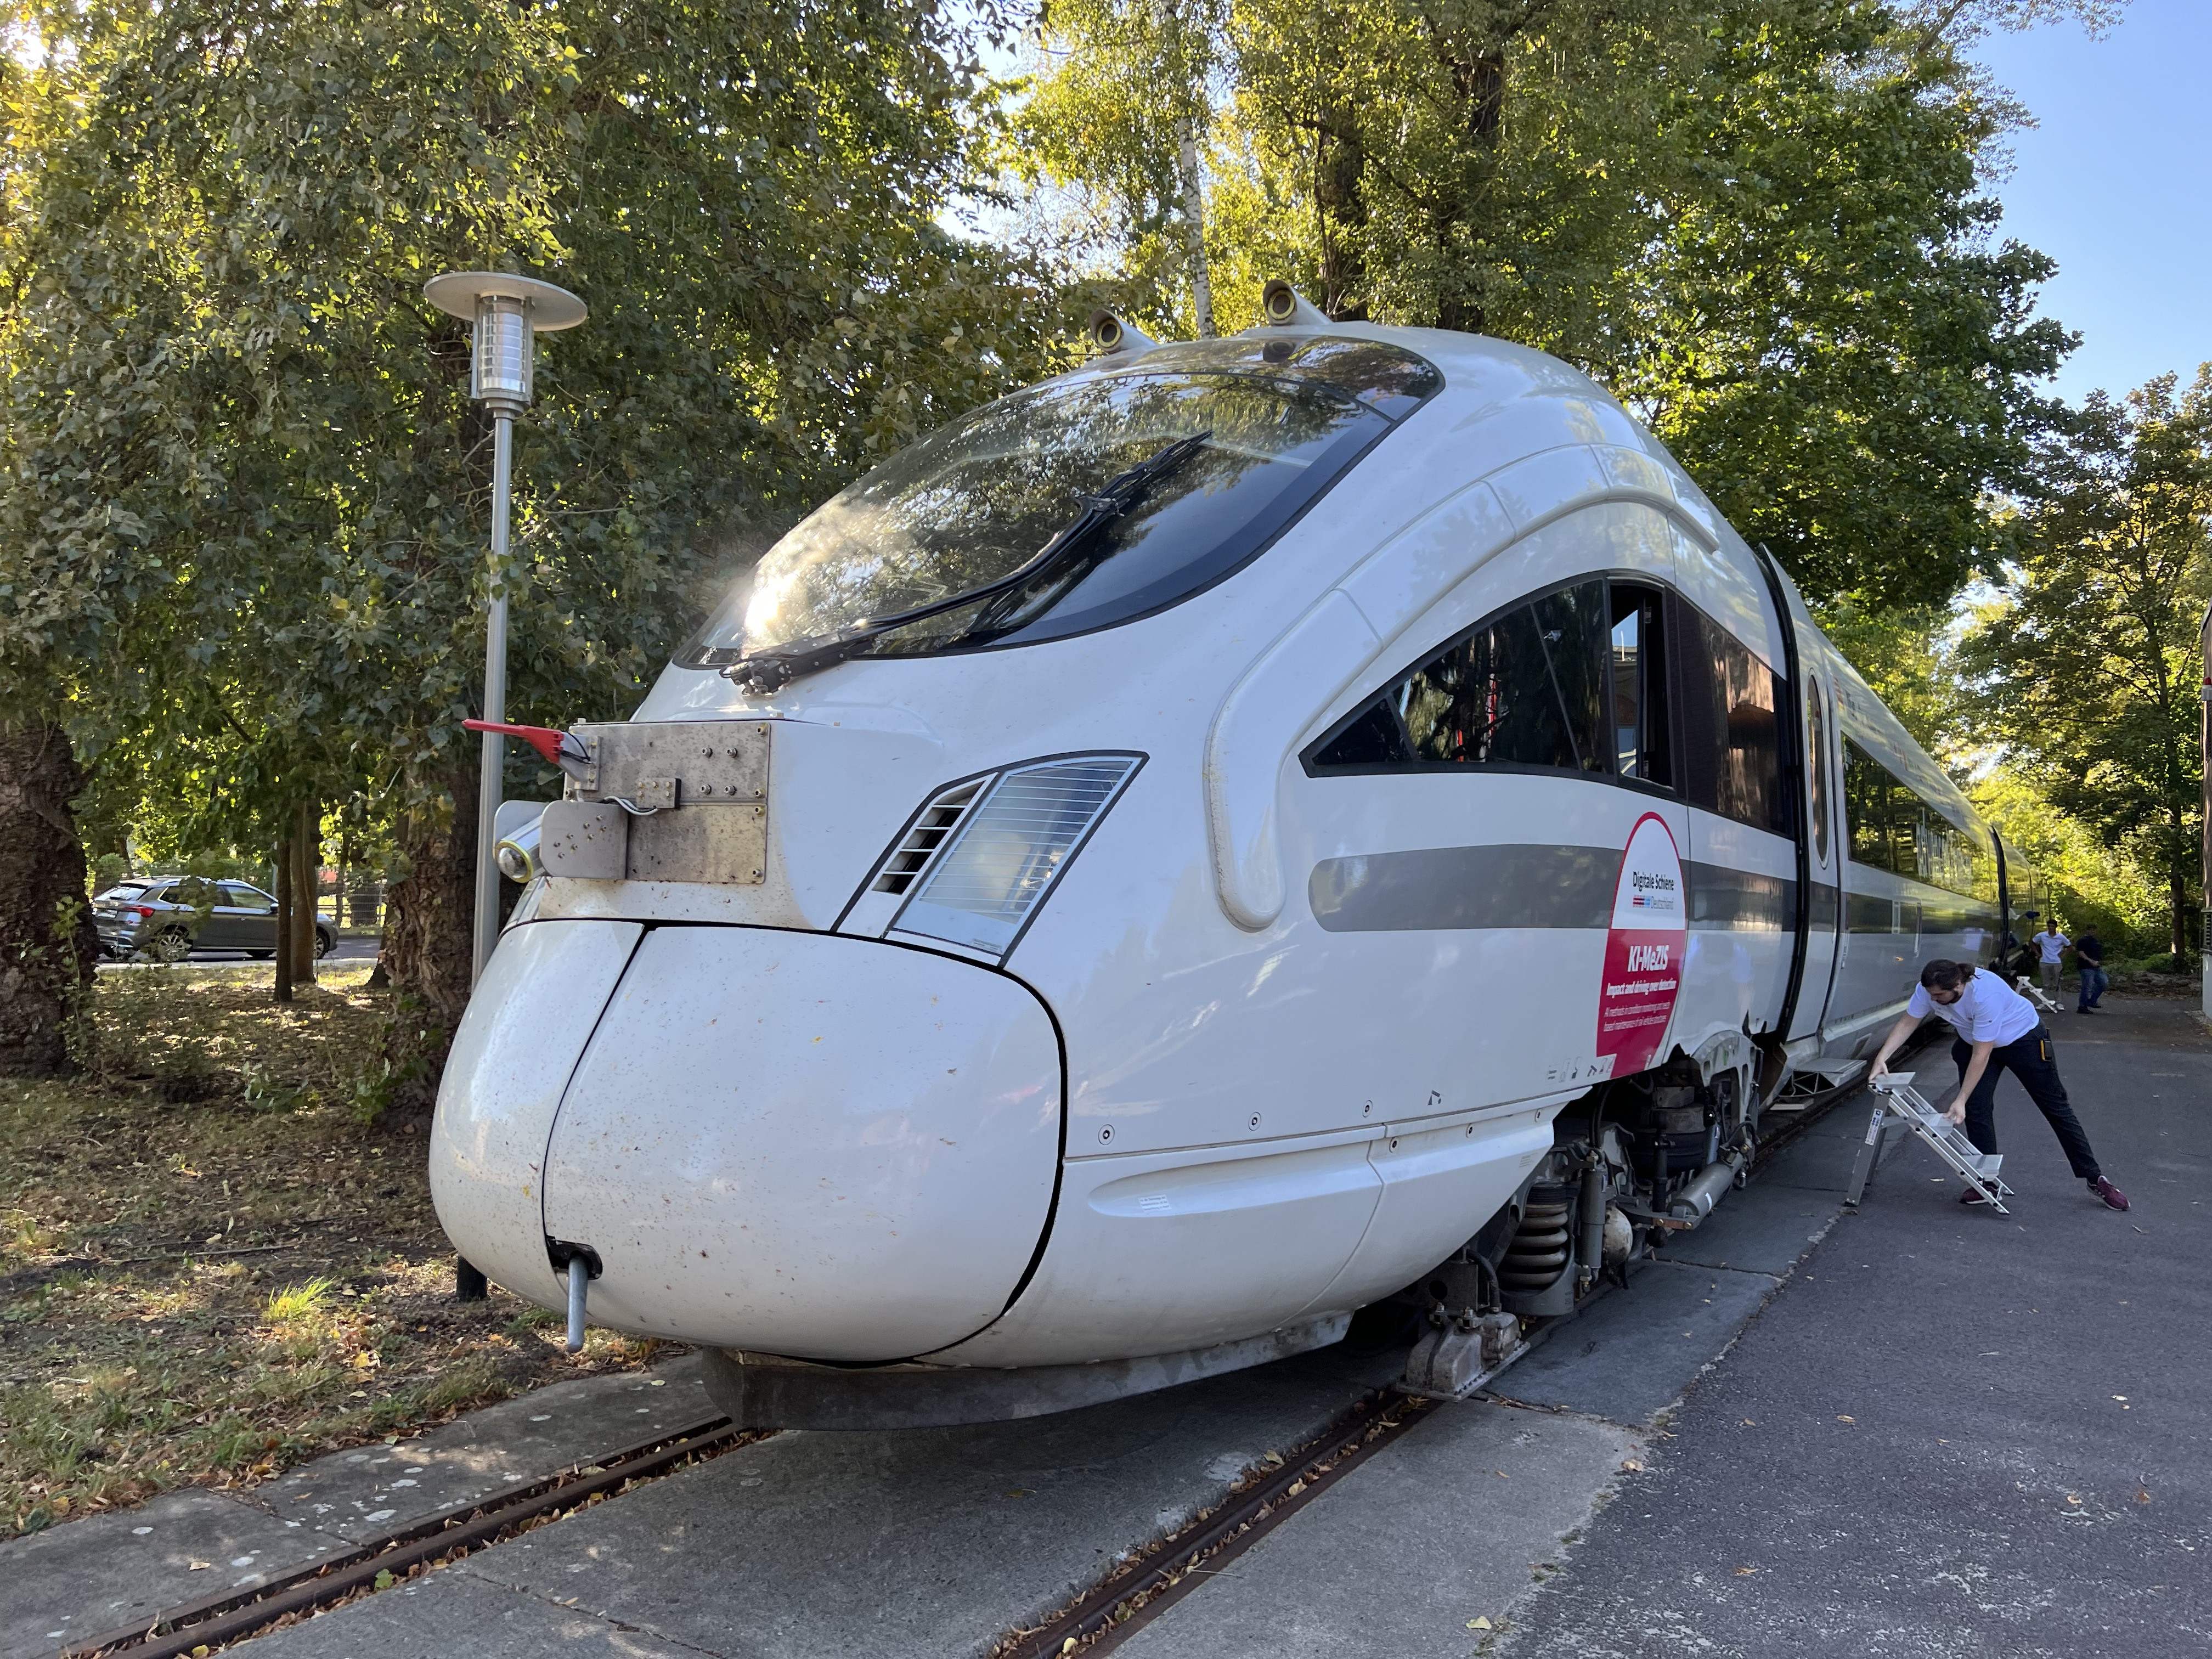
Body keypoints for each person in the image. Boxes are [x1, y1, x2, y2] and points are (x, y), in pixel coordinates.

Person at [1870, 958, 2129, 1211]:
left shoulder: (1985, 995)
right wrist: (1882, 1058)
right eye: (1930, 994)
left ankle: (2095, 1178)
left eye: (1939, 996)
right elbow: (1910, 1020)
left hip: (2023, 1040)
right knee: (1977, 1108)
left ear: (1958, 985)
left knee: (2056, 1108)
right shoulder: (1929, 989)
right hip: (1974, 1042)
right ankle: (1986, 1182)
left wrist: (1960, 1098)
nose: (1933, 1000)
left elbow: (1982, 1055)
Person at [2032, 921, 2070, 997]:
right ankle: (2045, 1000)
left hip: (2056, 962)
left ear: (2055, 927)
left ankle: (2058, 1000)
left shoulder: (2061, 937)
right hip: (2044, 961)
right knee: (2045, 983)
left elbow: (2069, 946)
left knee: (2057, 983)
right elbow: (2033, 942)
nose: (2050, 928)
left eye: (2052, 926)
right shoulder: (2042, 936)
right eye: (2049, 926)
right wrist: (2037, 953)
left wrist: (2063, 955)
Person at [2073, 929, 2107, 1014]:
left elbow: (2098, 953)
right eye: (2090, 930)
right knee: (2087, 986)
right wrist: (2090, 961)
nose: (2092, 932)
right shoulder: (2082, 941)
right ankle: (2082, 1006)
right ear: (2087, 930)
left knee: (2104, 983)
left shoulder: (2096, 941)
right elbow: (2081, 953)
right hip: (2085, 967)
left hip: (2096, 967)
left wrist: (2099, 961)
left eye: (2094, 930)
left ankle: (2092, 1001)